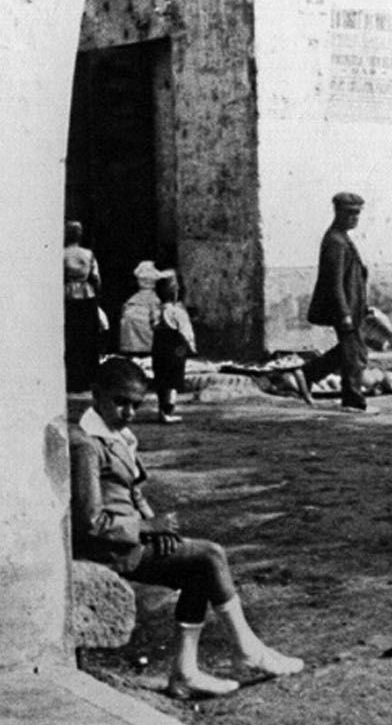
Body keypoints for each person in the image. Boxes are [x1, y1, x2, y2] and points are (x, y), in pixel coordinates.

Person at [70, 356, 304, 699]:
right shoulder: (87, 445)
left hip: (131, 539)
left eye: (136, 405)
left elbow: (133, 490)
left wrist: (160, 530)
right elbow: (91, 523)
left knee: (196, 567)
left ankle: (185, 673)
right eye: (120, 402)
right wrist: (147, 527)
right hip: (111, 549)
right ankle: (247, 650)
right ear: (96, 394)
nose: (129, 413)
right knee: (209, 555)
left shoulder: (117, 435)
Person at [301, 190, 372, 413]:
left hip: (353, 307)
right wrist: (344, 314)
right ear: (338, 212)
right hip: (345, 310)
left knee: (349, 351)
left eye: (357, 214)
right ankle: (353, 400)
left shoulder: (342, 238)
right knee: (354, 355)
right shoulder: (335, 241)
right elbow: (334, 283)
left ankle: (307, 374)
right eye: (350, 213)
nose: (354, 218)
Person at [62, 220, 104, 391]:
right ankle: (88, 377)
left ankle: (73, 378)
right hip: (87, 294)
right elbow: (96, 277)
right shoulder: (88, 254)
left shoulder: (62, 254)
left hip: (68, 294)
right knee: (88, 336)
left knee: (71, 336)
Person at [150, 272, 194, 423]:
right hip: (176, 349)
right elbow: (185, 333)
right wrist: (191, 348)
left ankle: (161, 411)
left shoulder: (155, 311)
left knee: (161, 378)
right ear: (175, 292)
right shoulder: (178, 312)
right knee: (173, 380)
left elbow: (153, 326)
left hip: (158, 347)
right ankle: (168, 412)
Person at [116, 260, 163, 358]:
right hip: (131, 327)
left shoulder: (152, 298)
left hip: (145, 325)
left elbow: (155, 312)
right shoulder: (135, 298)